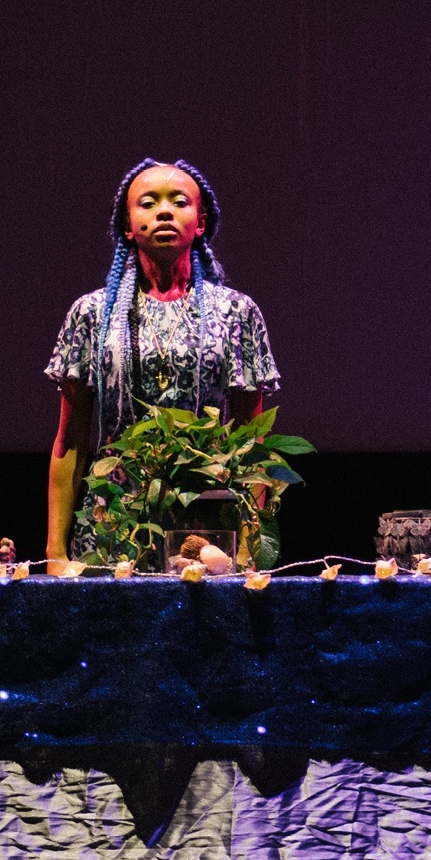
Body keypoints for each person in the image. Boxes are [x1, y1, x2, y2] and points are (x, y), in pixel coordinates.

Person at [44, 159, 281, 567]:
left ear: (201, 222)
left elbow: (250, 441)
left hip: (204, 525)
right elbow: (71, 440)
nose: (165, 211)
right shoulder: (92, 313)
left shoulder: (236, 313)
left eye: (180, 201)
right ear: (127, 225)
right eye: (149, 202)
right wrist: (55, 551)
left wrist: (247, 546)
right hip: (111, 522)